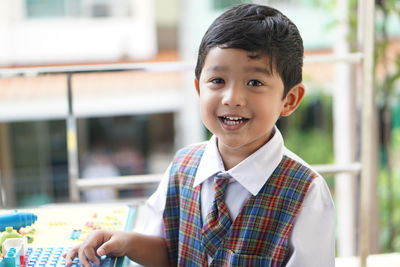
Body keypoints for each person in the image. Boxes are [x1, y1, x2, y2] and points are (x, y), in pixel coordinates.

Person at [64, 4, 335, 266]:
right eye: (217, 81)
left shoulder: (306, 192)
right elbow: (169, 251)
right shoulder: (183, 166)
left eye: (255, 82)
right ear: (198, 88)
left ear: (289, 99)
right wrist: (125, 241)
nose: (232, 98)